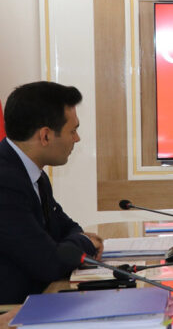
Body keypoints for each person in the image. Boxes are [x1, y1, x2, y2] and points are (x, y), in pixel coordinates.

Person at [0, 82, 102, 304]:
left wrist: (71, 243)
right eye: (72, 131)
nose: (77, 139)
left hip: (38, 299)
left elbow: (67, 228)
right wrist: (85, 243)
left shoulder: (34, 174)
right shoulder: (5, 182)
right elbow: (49, 263)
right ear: (45, 136)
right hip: (13, 311)